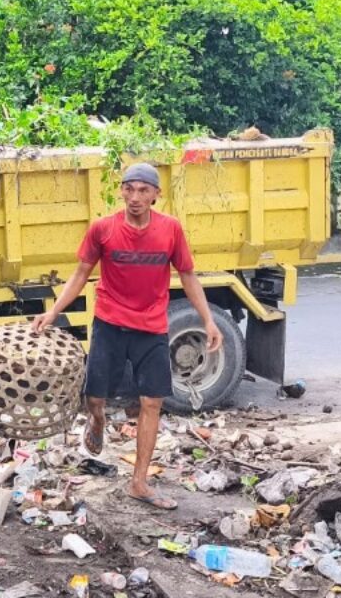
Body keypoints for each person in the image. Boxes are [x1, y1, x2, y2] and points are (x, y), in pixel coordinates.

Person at [31, 163, 222, 509]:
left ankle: (139, 482)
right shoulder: (103, 229)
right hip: (109, 323)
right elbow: (80, 274)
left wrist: (208, 321)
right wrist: (53, 312)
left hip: (151, 328)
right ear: (121, 191)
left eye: (142, 190)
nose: (134, 197)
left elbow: (189, 276)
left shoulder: (171, 230)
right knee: (95, 398)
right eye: (128, 189)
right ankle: (98, 419)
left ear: (155, 195)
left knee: (152, 402)